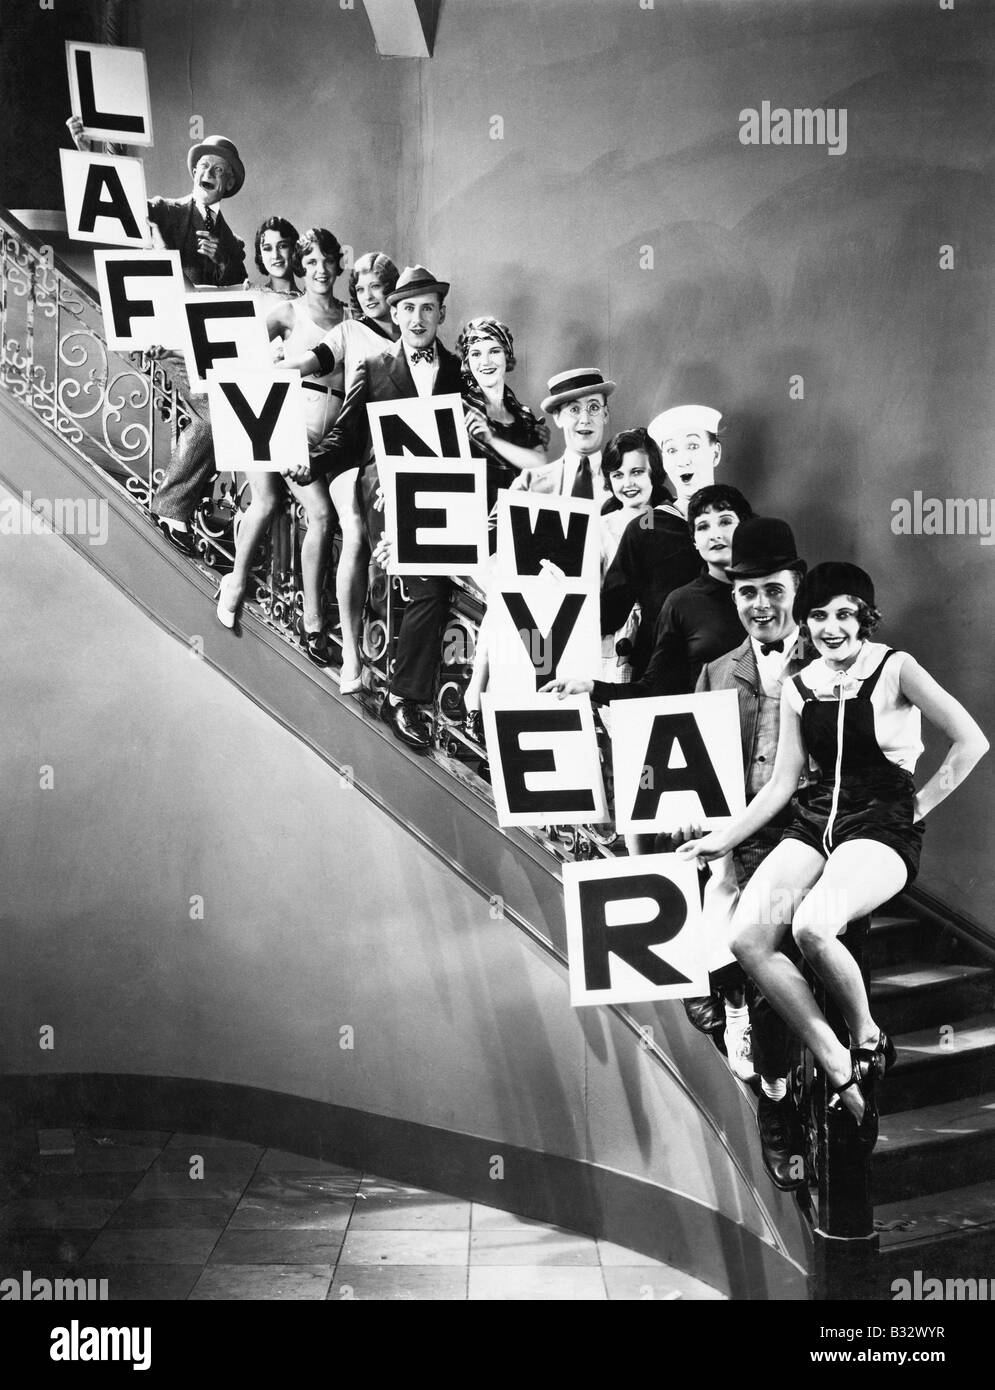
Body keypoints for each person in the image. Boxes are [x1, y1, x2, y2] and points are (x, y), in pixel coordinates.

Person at [678, 561, 989, 1149]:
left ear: (864, 617)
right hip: (816, 818)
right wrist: (722, 837)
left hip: (880, 822)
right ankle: (836, 1059)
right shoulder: (799, 687)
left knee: (814, 926)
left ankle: (869, 1037)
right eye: (818, 614)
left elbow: (971, 739)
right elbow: (781, 784)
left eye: (844, 613)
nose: (830, 626)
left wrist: (915, 808)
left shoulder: (896, 667)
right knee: (747, 938)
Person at [294, 265, 463, 751]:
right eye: (408, 308)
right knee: (425, 582)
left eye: (427, 308)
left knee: (445, 582)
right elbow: (347, 435)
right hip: (384, 488)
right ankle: (404, 698)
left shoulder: (457, 371)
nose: (417, 318)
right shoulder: (372, 368)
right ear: (395, 312)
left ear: (441, 314)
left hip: (442, 492)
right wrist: (313, 463)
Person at [692, 516, 812, 1187]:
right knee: (743, 964)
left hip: (807, 849)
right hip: (738, 852)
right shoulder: (714, 672)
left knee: (776, 977)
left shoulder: (834, 657)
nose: (759, 605)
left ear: (795, 586)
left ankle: (784, 1095)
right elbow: (695, 764)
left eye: (771, 589)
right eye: (746, 593)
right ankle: (774, 1096)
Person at [68, 124, 252, 556]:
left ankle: (191, 505)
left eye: (219, 170)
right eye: (204, 164)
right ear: (195, 172)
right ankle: (172, 506)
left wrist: (219, 265)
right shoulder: (165, 210)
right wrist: (89, 152)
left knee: (232, 413)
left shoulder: (234, 244)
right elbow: (117, 207)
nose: (209, 171)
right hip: (161, 335)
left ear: (228, 184)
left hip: (206, 347)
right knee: (218, 415)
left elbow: (237, 300)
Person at [216, 228, 347, 664]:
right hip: (282, 419)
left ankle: (259, 590)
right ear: (301, 267)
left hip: (327, 433)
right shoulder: (288, 312)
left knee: (299, 509)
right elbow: (229, 344)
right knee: (301, 509)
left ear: (338, 263)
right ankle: (306, 621)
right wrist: (265, 363)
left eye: (328, 260)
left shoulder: (351, 319)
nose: (321, 270)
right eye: (311, 262)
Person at [277, 252, 402, 692]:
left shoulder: (413, 336)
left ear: (394, 292)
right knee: (354, 530)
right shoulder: (349, 331)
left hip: (403, 460)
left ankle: (390, 653)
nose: (369, 297)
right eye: (362, 289)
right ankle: (352, 650)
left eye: (379, 288)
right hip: (353, 450)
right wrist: (265, 371)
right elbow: (310, 362)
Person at [549, 483, 754, 706]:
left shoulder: (775, 591)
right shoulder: (681, 604)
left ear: (745, 527)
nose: (715, 534)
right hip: (715, 730)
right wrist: (591, 688)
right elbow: (654, 689)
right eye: (703, 526)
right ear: (694, 541)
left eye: (725, 522)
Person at [454, 317, 550, 741]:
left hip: (519, 531)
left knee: (541, 597)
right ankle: (480, 697)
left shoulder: (525, 416)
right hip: (467, 532)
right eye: (475, 353)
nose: (485, 360)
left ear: (507, 356)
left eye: (493, 350)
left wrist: (492, 439)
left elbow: (542, 468)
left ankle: (521, 695)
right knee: (512, 597)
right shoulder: (455, 407)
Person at [600, 403, 721, 680]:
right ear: (663, 463)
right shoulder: (644, 529)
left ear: (715, 452)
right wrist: (565, 593)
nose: (682, 460)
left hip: (731, 673)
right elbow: (609, 613)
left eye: (692, 446)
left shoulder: (745, 524)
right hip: (663, 677)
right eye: (671, 450)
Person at [598, 428, 671, 684]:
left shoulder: (670, 521)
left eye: (637, 472)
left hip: (660, 635)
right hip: (614, 636)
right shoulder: (601, 528)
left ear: (654, 472)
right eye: (618, 475)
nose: (627, 484)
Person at [510, 368, 614, 509]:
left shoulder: (627, 482)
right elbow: (490, 529)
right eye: (574, 409)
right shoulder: (530, 482)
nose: (585, 419)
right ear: (557, 417)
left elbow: (649, 522)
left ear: (605, 414)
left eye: (594, 407)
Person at [253, 216, 302, 299]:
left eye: (282, 246)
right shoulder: (254, 297)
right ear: (261, 257)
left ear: (294, 250)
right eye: (267, 248)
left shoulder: (311, 302)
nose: (275, 256)